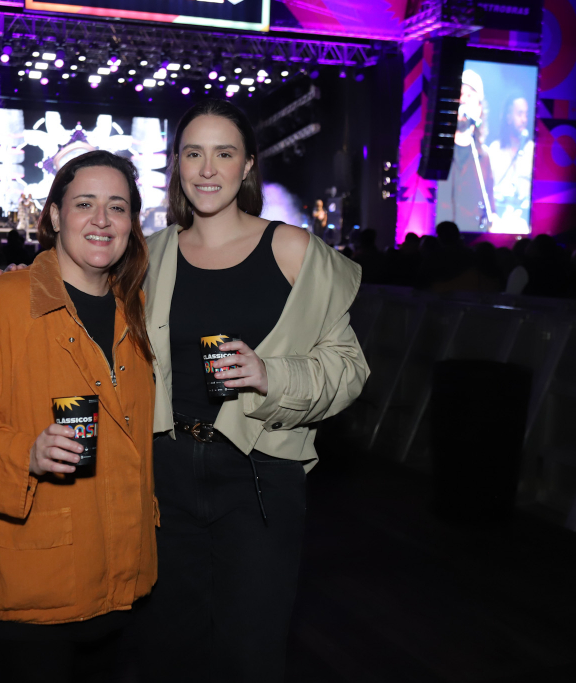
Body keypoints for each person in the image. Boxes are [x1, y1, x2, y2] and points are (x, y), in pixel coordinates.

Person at [141, 99, 370, 682]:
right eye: (193, 153)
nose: (207, 168)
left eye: (224, 153)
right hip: (165, 470)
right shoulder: (153, 253)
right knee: (171, 646)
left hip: (258, 472)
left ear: (247, 165)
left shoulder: (292, 250)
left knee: (250, 649)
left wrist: (272, 376)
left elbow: (349, 368)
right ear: (176, 163)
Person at [0, 150, 156, 682]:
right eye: (85, 204)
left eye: (117, 207)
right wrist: (22, 454)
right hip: (34, 582)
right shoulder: (2, 304)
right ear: (54, 215)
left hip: (120, 575)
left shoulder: (138, 311)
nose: (102, 219)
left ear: (132, 223)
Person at [436, 69, 495, 232]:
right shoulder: (438, 150)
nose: (463, 100)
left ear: (479, 108)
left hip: (473, 234)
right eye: (460, 94)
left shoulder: (483, 156)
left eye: (469, 95)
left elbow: (490, 203)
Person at [487, 95, 533, 233]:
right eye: (519, 114)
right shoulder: (494, 150)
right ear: (508, 117)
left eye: (526, 115)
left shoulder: (532, 150)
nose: (524, 120)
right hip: (498, 223)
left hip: (524, 223)